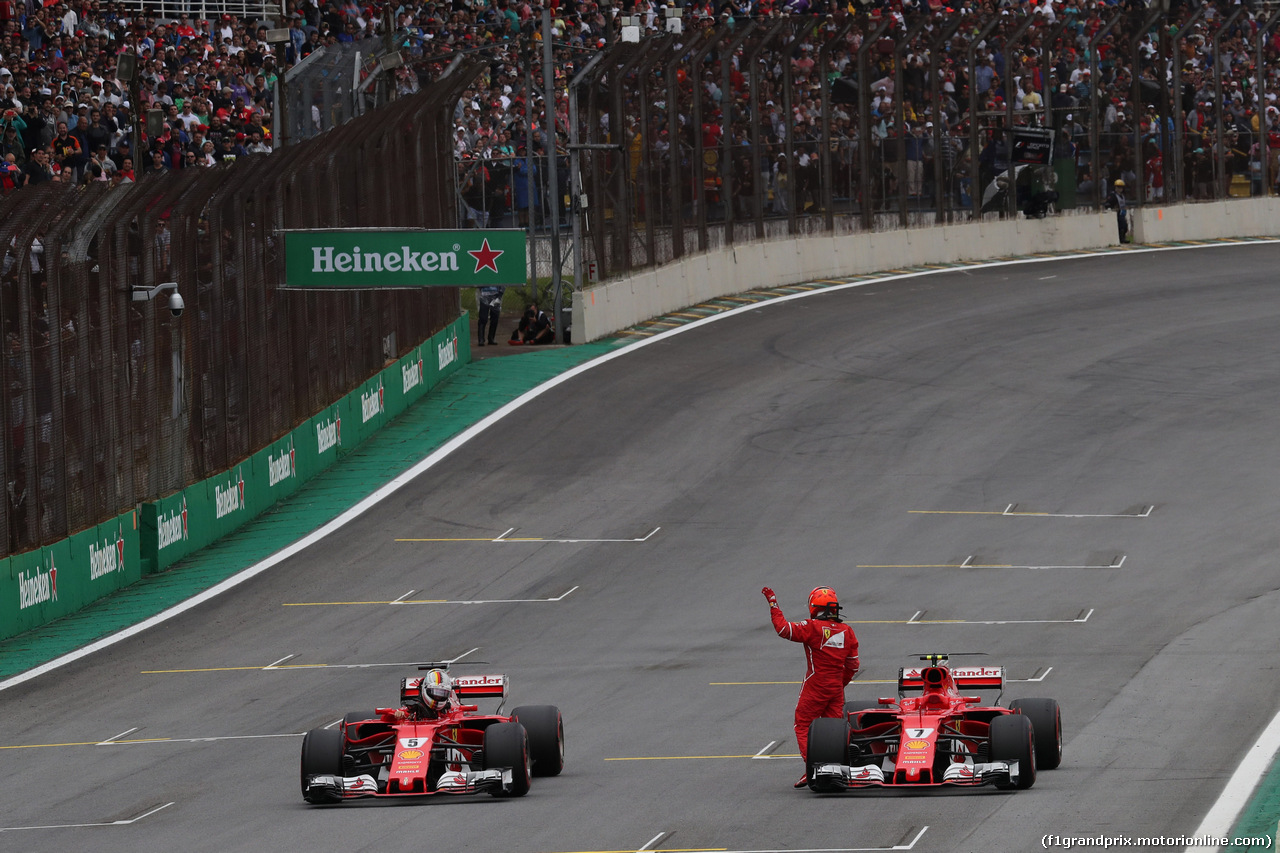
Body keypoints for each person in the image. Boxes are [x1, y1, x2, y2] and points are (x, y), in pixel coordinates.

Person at [762, 585, 860, 788]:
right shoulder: (847, 631)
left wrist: (773, 603)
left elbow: (783, 629)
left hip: (816, 684)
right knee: (834, 730)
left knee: (803, 724)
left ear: (814, 607)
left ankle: (812, 769)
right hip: (835, 687)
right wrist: (839, 684)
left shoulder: (811, 627)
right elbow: (853, 665)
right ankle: (838, 768)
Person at [382, 668, 455, 722]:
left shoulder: (450, 707)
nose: (438, 696)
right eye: (435, 692)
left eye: (443, 693)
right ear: (425, 688)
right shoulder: (415, 706)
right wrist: (398, 714)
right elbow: (386, 718)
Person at [1105, 178, 1128, 244]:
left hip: (1122, 213)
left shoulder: (1122, 196)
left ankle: (1123, 237)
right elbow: (1107, 204)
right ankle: (1121, 239)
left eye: (1121, 187)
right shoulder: (1112, 195)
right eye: (1118, 187)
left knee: (1125, 226)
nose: (1120, 189)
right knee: (1121, 226)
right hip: (1117, 214)